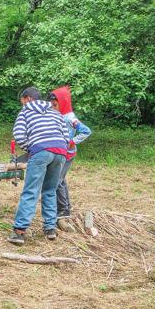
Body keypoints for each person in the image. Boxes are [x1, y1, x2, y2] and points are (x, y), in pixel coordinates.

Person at [8, 87, 69, 245]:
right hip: (60, 152)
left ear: (27, 99)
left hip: (41, 151)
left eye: (22, 101)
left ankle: (19, 232)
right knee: (50, 190)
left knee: (31, 191)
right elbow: (66, 134)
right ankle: (50, 229)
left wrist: (31, 148)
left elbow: (19, 134)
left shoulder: (26, 112)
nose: (22, 104)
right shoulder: (55, 112)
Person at [48, 86, 92, 230]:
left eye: (55, 104)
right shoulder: (60, 114)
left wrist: (72, 141)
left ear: (63, 102)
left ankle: (62, 212)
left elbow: (86, 131)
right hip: (61, 153)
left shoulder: (70, 118)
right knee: (61, 180)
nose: (53, 107)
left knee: (57, 181)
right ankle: (65, 206)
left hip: (67, 154)